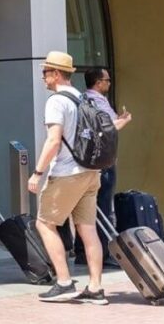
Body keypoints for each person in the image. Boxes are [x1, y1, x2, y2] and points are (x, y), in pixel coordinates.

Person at [29, 51, 107, 305]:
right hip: (90, 171)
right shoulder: (82, 98)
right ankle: (95, 287)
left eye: (45, 72)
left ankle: (63, 282)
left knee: (44, 223)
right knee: (87, 229)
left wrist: (37, 173)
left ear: (56, 73)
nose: (43, 78)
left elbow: (53, 140)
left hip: (66, 173)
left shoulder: (56, 101)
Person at [71, 67, 131, 265]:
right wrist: (124, 121)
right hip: (103, 161)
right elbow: (108, 129)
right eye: (107, 79)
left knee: (85, 207)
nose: (109, 83)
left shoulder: (83, 100)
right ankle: (101, 252)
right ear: (98, 82)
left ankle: (82, 251)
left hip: (87, 161)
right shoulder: (96, 101)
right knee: (102, 206)